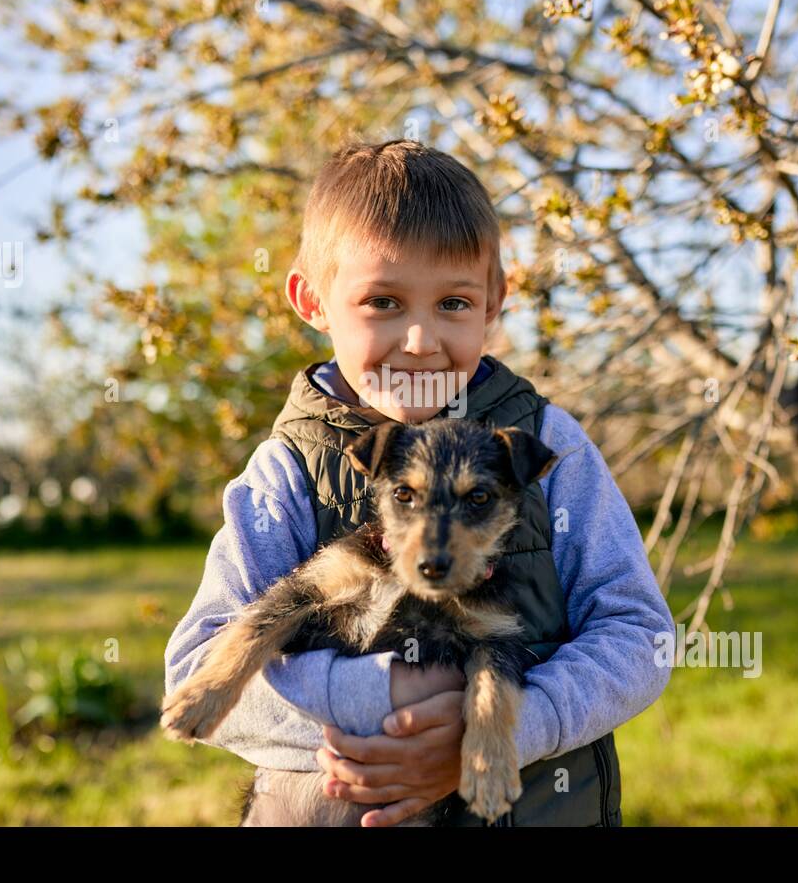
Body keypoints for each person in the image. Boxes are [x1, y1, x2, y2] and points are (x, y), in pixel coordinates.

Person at [164, 139, 673, 826]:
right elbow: (196, 673)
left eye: (455, 304)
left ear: (497, 300)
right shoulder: (287, 469)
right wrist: (386, 706)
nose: (419, 340)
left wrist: (507, 733)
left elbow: (638, 633)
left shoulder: (550, 444)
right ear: (311, 299)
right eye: (383, 301)